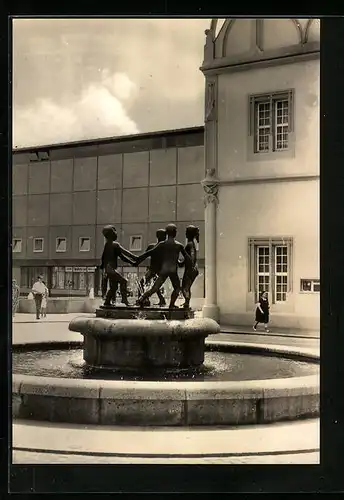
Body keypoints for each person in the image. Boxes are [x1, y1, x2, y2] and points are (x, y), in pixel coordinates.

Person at [135, 223, 192, 309]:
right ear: (175, 233)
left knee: (154, 288)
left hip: (164, 270)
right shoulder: (178, 245)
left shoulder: (162, 244)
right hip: (173, 271)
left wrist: (138, 258)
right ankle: (171, 305)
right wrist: (183, 263)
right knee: (177, 289)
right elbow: (187, 258)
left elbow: (150, 252)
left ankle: (141, 299)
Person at [100, 225, 138, 307]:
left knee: (114, 287)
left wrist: (103, 268)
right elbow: (124, 255)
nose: (116, 233)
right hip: (110, 269)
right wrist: (134, 260)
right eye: (115, 232)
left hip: (108, 269)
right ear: (111, 234)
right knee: (123, 281)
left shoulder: (107, 244)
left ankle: (107, 301)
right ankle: (124, 300)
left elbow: (103, 257)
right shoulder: (114, 244)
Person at [138, 228, 167, 307]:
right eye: (164, 236)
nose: (165, 237)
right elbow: (145, 255)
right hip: (153, 269)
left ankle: (145, 299)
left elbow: (144, 255)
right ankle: (146, 300)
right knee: (144, 284)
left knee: (154, 286)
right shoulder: (153, 246)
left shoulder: (162, 247)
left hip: (157, 270)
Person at [179, 225, 200, 309]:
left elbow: (192, 256)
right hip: (192, 269)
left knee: (184, 288)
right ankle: (186, 303)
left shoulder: (190, 244)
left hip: (190, 269)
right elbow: (186, 259)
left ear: (189, 234)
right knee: (187, 288)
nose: (185, 234)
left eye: (186, 232)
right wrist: (180, 262)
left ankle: (187, 304)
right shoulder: (192, 244)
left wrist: (191, 265)